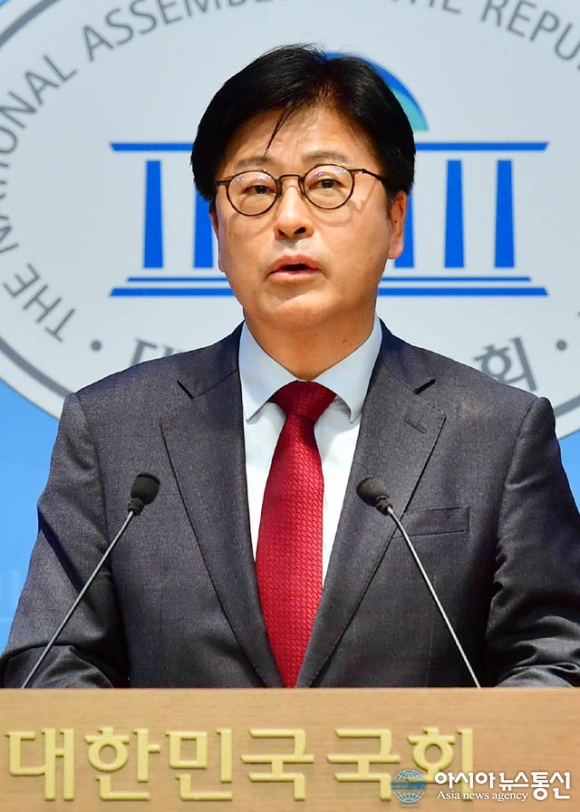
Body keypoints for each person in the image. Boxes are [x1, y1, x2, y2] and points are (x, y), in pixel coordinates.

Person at [2, 45, 580, 689]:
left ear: (396, 221)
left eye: (328, 184)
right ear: (217, 232)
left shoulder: (494, 435)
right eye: (256, 188)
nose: (290, 219)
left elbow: (557, 661)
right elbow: (50, 666)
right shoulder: (114, 431)